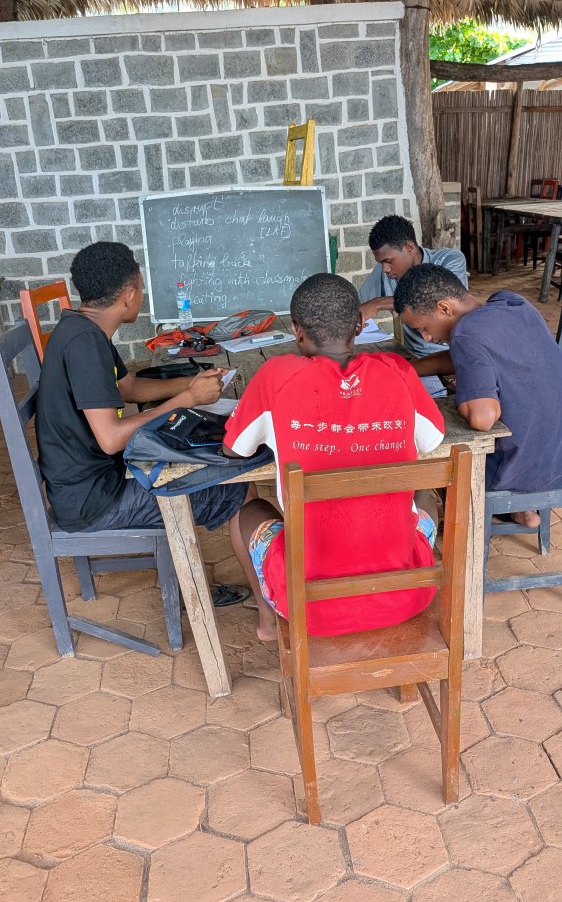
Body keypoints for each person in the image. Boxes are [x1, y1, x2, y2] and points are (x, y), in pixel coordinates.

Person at [221, 272, 445, 641]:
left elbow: (234, 449)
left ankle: (268, 621)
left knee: (248, 508)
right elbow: (433, 438)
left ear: (297, 331)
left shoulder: (275, 375)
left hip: (308, 608)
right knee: (424, 496)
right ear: (359, 324)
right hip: (408, 595)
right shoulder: (398, 370)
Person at [35, 242, 253, 602]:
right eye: (141, 286)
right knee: (240, 489)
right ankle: (257, 605)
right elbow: (110, 438)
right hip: (94, 502)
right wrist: (187, 400)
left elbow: (130, 388)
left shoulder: (83, 329)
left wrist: (191, 384)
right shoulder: (86, 346)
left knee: (186, 452)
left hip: (89, 486)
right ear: (128, 295)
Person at [392, 263, 562, 528]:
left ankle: (468, 528)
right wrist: (406, 369)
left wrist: (465, 391)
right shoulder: (512, 303)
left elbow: (482, 419)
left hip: (520, 468)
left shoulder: (466, 334)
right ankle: (522, 510)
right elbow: (463, 357)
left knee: (441, 457)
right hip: (555, 456)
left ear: (444, 308)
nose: (426, 338)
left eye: (424, 327)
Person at [358, 214, 468, 359]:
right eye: (381, 263)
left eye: (389, 261)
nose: (385, 269)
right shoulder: (386, 272)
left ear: (409, 247)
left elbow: (436, 300)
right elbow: (360, 304)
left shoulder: (449, 259)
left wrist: (378, 304)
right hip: (412, 355)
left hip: (451, 355)